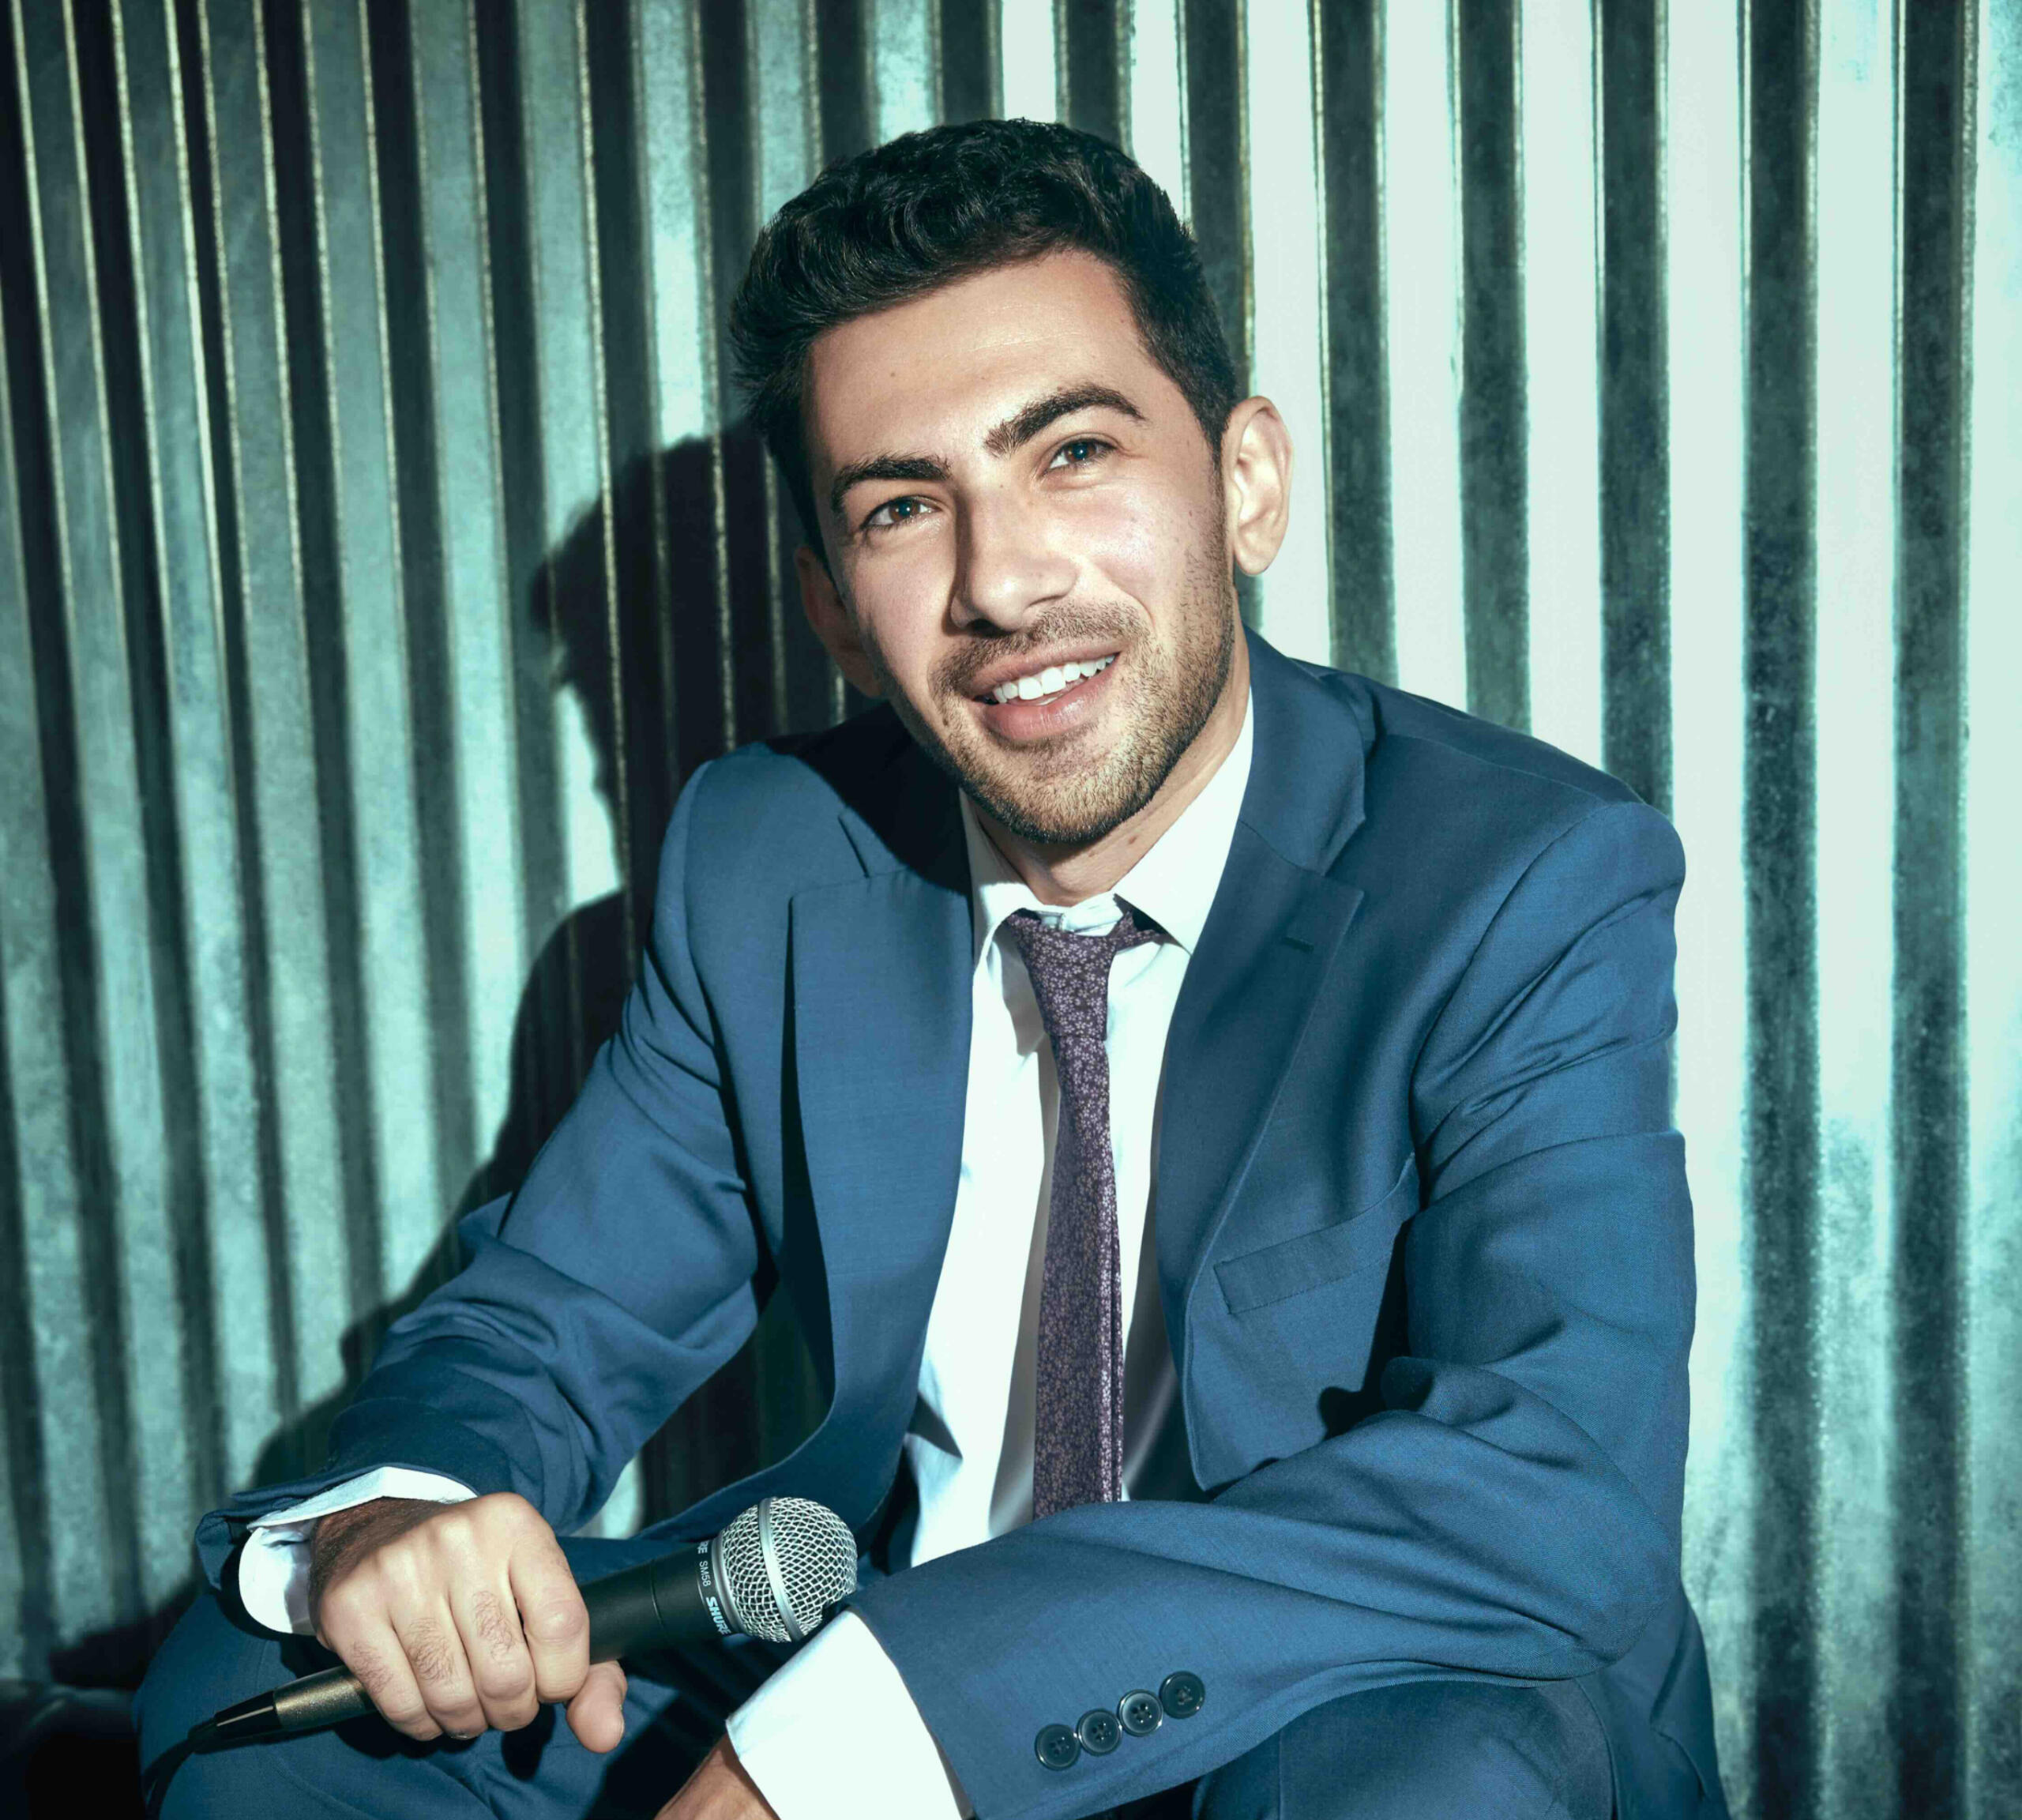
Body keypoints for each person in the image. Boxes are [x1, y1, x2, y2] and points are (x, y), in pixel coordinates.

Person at [137, 118, 1728, 1820]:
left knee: (1435, 1790)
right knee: (266, 1704)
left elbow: (1545, 1482)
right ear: (832, 605)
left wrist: (878, 1739)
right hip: (844, 1639)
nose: (1003, 583)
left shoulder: (1511, 874)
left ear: (1244, 479)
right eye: (906, 505)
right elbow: (548, 1321)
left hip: (1306, 1706)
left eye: (1071, 455)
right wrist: (396, 1526)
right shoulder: (773, 860)